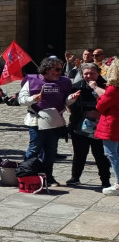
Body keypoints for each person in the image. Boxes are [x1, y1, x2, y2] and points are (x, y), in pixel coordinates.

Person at [17, 57, 74, 186]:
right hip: (36, 120)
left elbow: (65, 101)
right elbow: (21, 100)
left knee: (51, 150)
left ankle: (48, 176)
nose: (60, 72)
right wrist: (33, 98)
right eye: (57, 69)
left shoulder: (64, 82)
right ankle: (26, 173)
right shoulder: (32, 80)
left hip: (54, 120)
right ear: (48, 70)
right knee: (34, 149)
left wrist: (71, 98)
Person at [66, 63, 111, 188]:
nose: (89, 76)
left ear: (98, 73)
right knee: (79, 153)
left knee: (101, 155)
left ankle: (105, 180)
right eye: (86, 73)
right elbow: (68, 103)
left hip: (101, 127)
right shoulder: (76, 87)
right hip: (79, 126)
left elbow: (109, 100)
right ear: (81, 74)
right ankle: (75, 177)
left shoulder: (106, 86)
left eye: (92, 73)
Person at [94, 59, 119, 195]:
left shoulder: (113, 89)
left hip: (111, 124)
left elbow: (101, 106)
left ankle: (118, 184)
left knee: (112, 154)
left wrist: (98, 94)